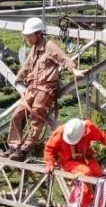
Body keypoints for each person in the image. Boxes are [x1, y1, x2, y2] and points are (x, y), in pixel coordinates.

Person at [5, 17, 85, 160]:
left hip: (44, 89)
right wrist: (18, 77)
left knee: (37, 116)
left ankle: (24, 149)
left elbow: (63, 58)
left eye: (29, 35)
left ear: (38, 33)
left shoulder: (49, 46)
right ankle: (14, 146)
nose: (28, 38)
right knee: (17, 114)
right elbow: (27, 66)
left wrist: (74, 70)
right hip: (32, 88)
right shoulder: (34, 49)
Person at [44, 117, 106, 207]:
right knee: (86, 172)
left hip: (86, 157)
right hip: (69, 161)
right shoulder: (60, 131)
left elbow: (102, 135)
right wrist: (50, 163)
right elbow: (50, 148)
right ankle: (85, 206)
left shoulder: (88, 127)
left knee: (98, 173)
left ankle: (94, 199)